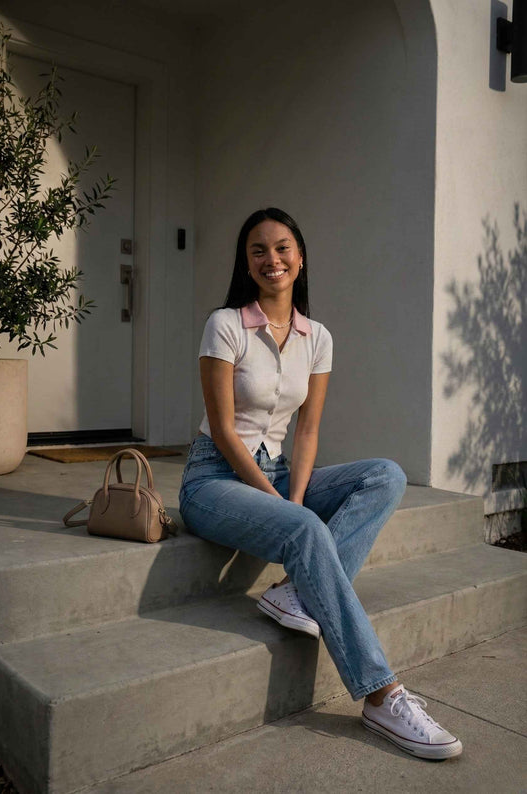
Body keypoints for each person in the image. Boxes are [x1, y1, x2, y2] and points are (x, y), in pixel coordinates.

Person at [178, 207, 462, 760]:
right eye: (258, 250)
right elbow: (222, 429)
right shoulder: (226, 324)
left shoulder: (318, 337)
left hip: (282, 468)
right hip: (213, 477)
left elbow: (308, 429)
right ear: (246, 262)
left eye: (282, 247)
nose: (271, 259)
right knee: (303, 528)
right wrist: (280, 505)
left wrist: (297, 498)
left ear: (300, 257)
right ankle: (381, 695)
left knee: (386, 475)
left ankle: (294, 593)